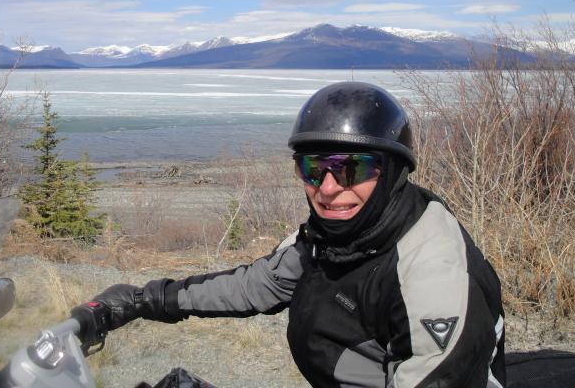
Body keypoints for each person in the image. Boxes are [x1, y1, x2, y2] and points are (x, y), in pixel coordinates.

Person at [90, 82, 506, 387]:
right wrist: (144, 299)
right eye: (312, 168)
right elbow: (259, 284)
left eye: (352, 168)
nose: (326, 189)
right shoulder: (333, 236)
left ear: (393, 171)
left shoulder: (430, 268)